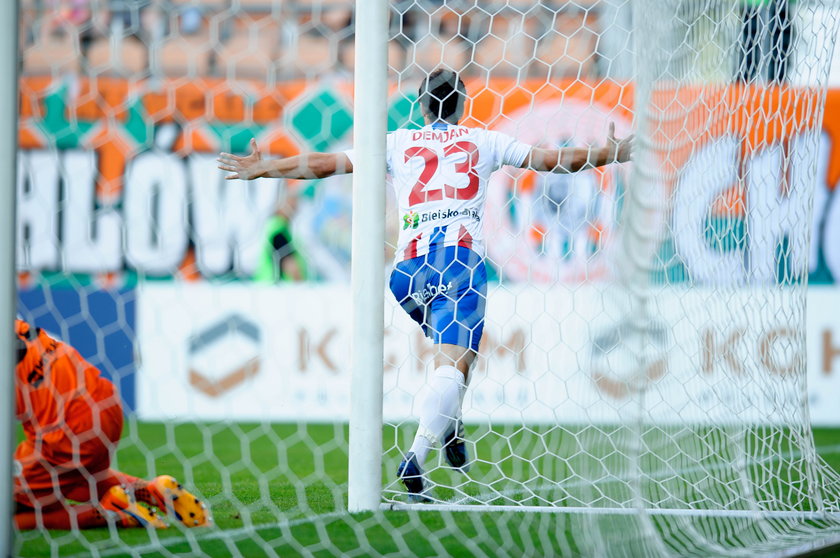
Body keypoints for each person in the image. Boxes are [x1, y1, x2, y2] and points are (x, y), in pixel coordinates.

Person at [217, 69, 633, 501]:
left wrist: (266, 168)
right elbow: (552, 162)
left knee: (458, 357)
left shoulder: (398, 142)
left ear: (421, 104)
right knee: (452, 366)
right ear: (463, 104)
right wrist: (612, 152)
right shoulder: (483, 140)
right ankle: (415, 457)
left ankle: (450, 425)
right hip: (458, 263)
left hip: (407, 272)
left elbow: (327, 164)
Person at [13, 319, 211, 529]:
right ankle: (153, 491)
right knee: (73, 479)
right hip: (104, 402)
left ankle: (113, 512)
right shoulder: (14, 323)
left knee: (11, 510)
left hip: (67, 428)